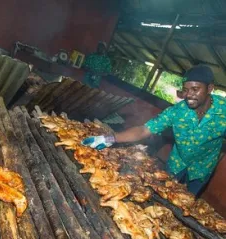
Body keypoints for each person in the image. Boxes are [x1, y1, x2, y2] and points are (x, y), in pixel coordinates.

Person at [82, 65, 226, 196]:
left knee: (187, 202)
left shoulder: (223, 110)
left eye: (195, 89)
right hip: (177, 163)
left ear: (210, 88)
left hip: (203, 167)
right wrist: (109, 138)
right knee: (164, 194)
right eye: (186, 89)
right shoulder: (176, 112)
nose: (189, 95)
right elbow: (144, 130)